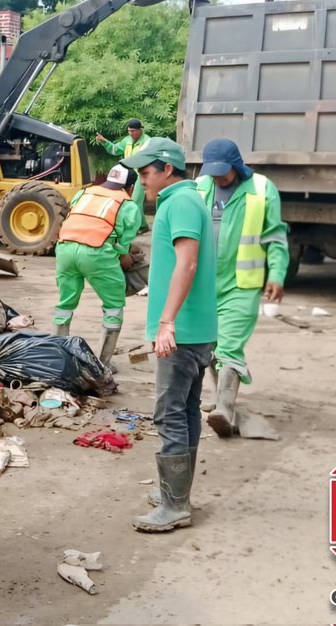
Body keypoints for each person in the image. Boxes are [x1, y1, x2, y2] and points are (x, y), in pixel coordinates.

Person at [121, 137, 217, 534]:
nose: (142, 181)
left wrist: (166, 322)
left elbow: (187, 263)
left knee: (169, 413)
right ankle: (176, 495)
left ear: (167, 169)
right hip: (196, 329)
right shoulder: (188, 199)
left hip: (183, 332)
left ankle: (175, 504)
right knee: (186, 409)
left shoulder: (179, 202)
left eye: (146, 173)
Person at [192, 138, 290, 437]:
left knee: (229, 345)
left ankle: (224, 408)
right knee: (208, 345)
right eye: (213, 171)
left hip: (241, 284)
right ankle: (219, 399)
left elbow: (274, 235)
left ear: (236, 164)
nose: (218, 176)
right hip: (205, 282)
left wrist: (277, 274)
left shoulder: (261, 189)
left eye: (223, 171)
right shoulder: (201, 187)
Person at [52, 164, 143, 374]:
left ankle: (59, 356)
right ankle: (101, 365)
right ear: (130, 188)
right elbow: (123, 244)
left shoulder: (84, 192)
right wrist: (124, 256)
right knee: (113, 306)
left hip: (65, 249)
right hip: (96, 252)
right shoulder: (127, 204)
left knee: (65, 304)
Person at [97, 119, 152, 217]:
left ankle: (138, 226)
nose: (130, 133)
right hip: (128, 173)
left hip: (141, 174)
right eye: (129, 131)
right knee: (122, 197)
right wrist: (105, 142)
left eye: (133, 131)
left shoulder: (147, 141)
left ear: (140, 130)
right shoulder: (127, 140)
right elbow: (116, 150)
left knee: (135, 201)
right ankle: (142, 225)